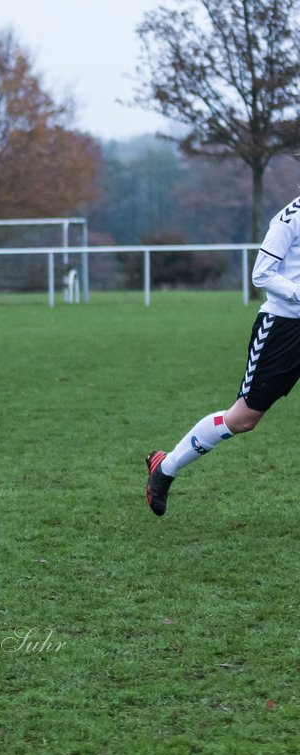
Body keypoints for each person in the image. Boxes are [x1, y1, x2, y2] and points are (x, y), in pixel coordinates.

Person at [145, 193, 300, 517]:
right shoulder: (288, 219)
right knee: (243, 419)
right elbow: (262, 274)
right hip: (285, 329)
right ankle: (166, 467)